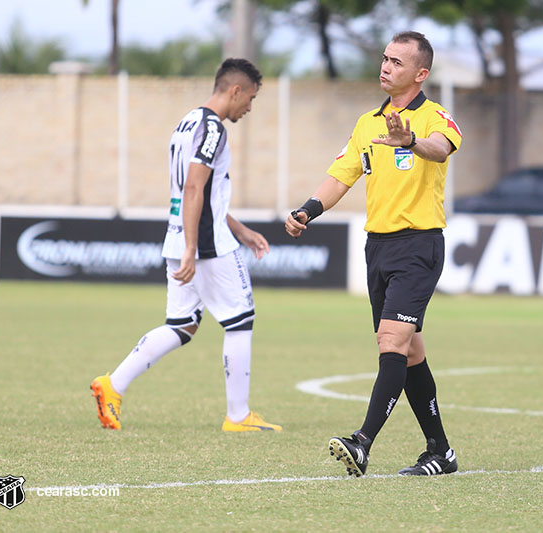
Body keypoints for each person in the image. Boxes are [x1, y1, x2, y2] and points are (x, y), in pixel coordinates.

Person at [285, 31, 462, 476]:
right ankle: (440, 450)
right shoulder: (368, 123)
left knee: (392, 342)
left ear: (420, 74)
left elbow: (440, 150)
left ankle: (361, 443)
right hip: (377, 249)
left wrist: (411, 143)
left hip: (419, 245)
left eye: (397, 62)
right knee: (410, 352)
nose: (385, 67)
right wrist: (306, 211)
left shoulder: (436, 118)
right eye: (384, 59)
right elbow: (341, 175)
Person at [91, 58, 281, 433]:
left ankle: (112, 385)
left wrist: (239, 229)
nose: (249, 108)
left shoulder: (186, 122)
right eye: (251, 98)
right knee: (241, 320)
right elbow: (194, 186)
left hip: (179, 235)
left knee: (182, 325)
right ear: (235, 90)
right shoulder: (213, 130)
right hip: (204, 243)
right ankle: (238, 416)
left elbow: (200, 193)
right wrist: (194, 247)